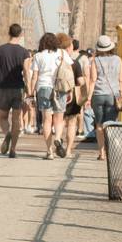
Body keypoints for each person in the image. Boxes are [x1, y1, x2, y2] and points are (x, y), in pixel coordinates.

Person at [0, 23, 31, 157]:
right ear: (21, 34)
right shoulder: (24, 52)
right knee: (16, 120)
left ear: (9, 33)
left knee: (3, 118)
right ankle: (13, 150)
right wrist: (29, 88)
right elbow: (26, 71)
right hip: (18, 89)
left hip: (3, 88)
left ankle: (7, 133)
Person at [29, 31, 69, 160]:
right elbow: (69, 71)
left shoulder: (38, 56)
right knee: (59, 118)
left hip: (43, 88)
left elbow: (34, 76)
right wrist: (71, 90)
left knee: (46, 120)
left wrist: (31, 93)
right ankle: (57, 138)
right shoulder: (62, 53)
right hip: (60, 88)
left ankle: (49, 151)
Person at [87, 33, 122, 161]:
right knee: (110, 124)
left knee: (99, 124)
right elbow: (121, 80)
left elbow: (93, 80)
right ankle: (111, 152)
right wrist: (120, 94)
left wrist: (88, 97)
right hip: (113, 95)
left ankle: (102, 153)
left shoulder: (95, 60)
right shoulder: (118, 60)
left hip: (98, 95)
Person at [63, 37, 87, 156]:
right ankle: (68, 150)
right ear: (68, 48)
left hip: (58, 94)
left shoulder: (55, 62)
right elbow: (81, 81)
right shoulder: (74, 63)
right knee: (72, 123)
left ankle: (58, 141)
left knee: (59, 121)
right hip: (72, 95)